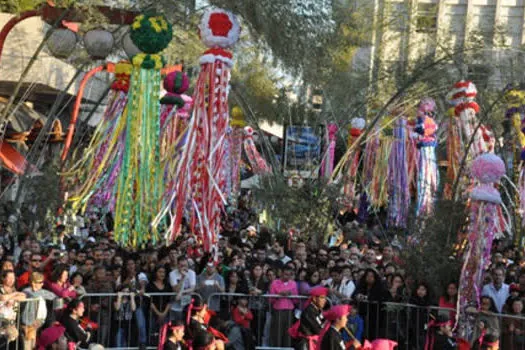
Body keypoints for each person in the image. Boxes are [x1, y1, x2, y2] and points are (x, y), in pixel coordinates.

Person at [21, 272, 55, 350]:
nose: (42, 284)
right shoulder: (26, 290)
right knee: (27, 344)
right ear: (33, 282)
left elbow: (52, 296)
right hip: (28, 322)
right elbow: (34, 295)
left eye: (42, 282)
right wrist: (41, 292)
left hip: (38, 320)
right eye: (40, 282)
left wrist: (41, 292)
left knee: (33, 344)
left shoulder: (41, 291)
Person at [289, 286, 328, 350]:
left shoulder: (316, 310)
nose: (325, 300)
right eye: (322, 298)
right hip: (306, 344)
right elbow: (318, 330)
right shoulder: (309, 311)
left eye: (325, 298)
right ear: (315, 298)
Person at [269, 266, 298, 348]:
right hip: (278, 311)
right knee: (277, 333)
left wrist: (290, 295)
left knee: (288, 333)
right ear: (281, 273)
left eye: (289, 275)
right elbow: (271, 299)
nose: (287, 277)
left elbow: (296, 300)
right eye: (285, 274)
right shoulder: (275, 283)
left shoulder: (293, 283)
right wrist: (279, 295)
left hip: (289, 311)